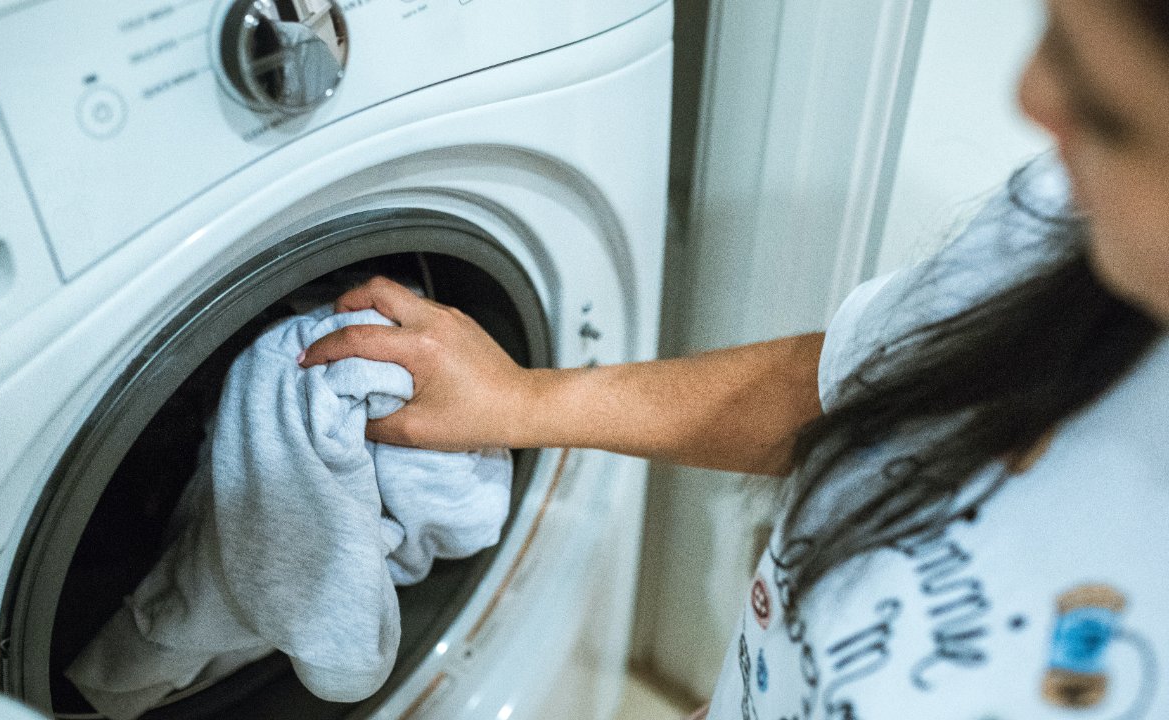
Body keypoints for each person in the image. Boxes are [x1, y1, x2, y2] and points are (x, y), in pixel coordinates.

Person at [297, 0, 1169, 716]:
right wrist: (525, 400)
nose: (1031, 95)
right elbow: (849, 387)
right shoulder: (1057, 228)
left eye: (1107, 109)